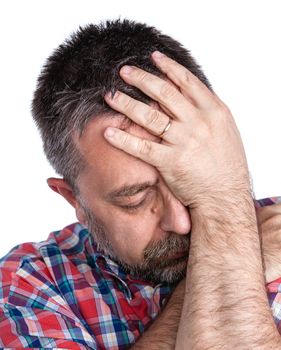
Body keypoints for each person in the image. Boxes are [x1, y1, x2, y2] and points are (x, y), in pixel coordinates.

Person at [1, 18, 281, 349]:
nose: (179, 221)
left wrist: (226, 194)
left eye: (189, 182)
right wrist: (229, 242)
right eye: (135, 199)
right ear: (73, 198)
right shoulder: (30, 283)